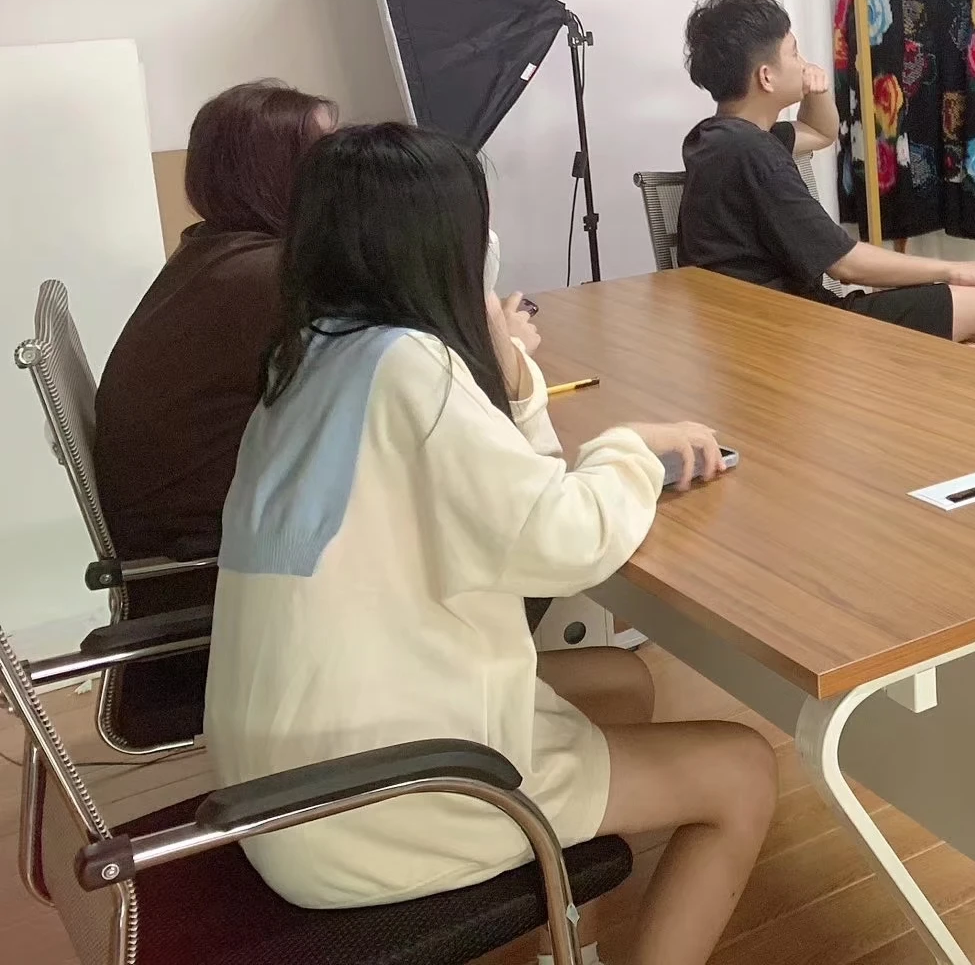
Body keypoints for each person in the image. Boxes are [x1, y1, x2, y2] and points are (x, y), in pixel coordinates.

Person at [204, 124, 775, 965]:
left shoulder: (308, 355)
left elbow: (516, 498)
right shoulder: (411, 366)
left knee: (620, 679)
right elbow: (566, 540)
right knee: (744, 769)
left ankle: (565, 940)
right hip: (372, 798)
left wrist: (509, 375)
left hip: (287, 772)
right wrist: (629, 449)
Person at [677, 0, 975, 363]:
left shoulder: (718, 140)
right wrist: (953, 269)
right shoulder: (753, 153)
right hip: (791, 334)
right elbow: (845, 264)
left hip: (755, 328)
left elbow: (820, 132)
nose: (803, 64)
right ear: (766, 77)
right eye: (794, 53)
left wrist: (814, 91)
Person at [95, 80, 338, 616]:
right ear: (279, 174)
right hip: (209, 571)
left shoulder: (213, 252)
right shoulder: (265, 277)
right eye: (326, 158)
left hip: (192, 547)